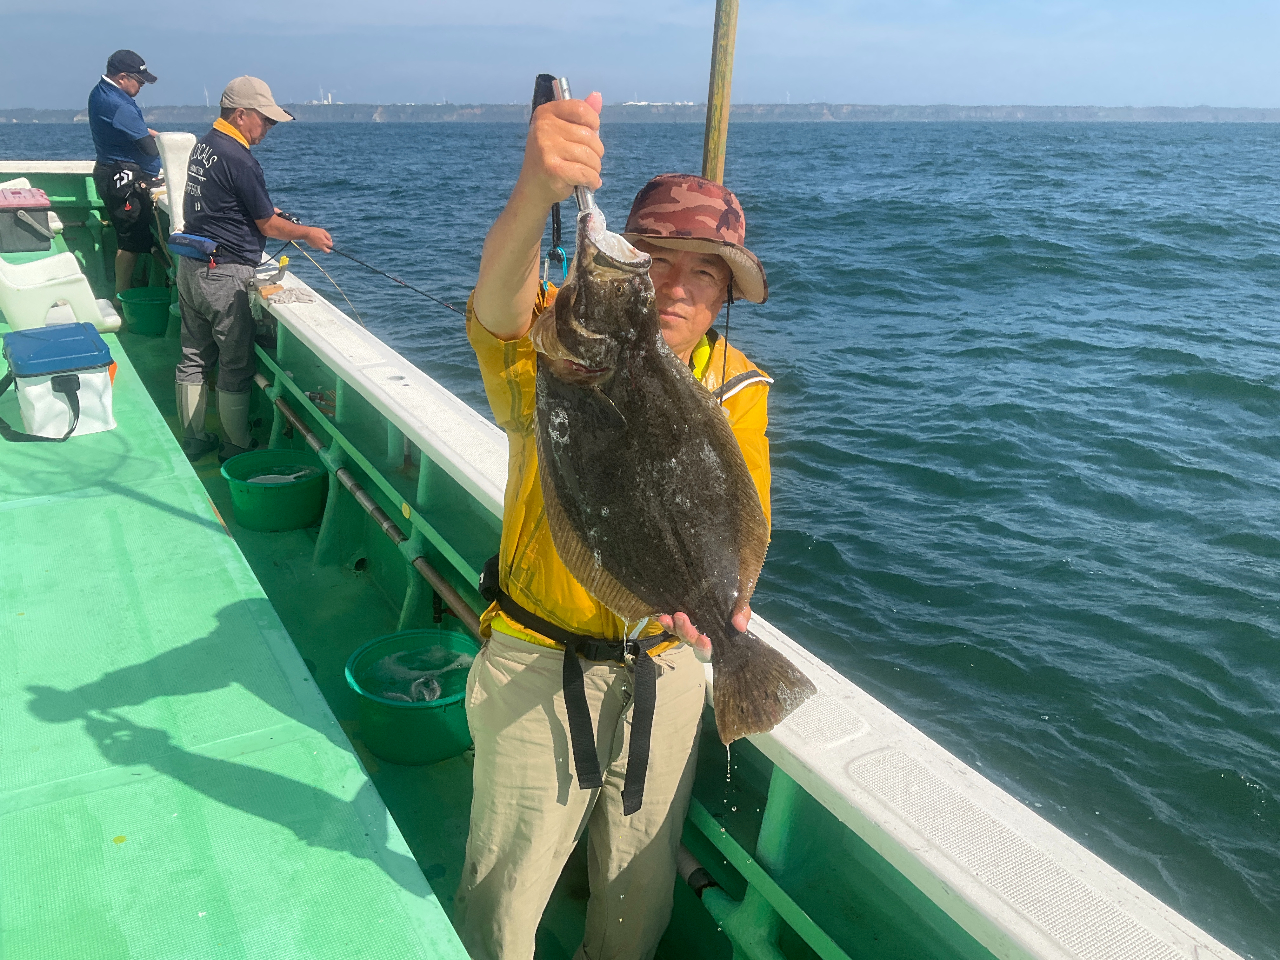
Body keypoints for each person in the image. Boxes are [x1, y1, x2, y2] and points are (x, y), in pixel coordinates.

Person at [455, 91, 773, 960]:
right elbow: (498, 307)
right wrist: (536, 193)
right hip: (537, 660)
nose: (676, 285)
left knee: (636, 897)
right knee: (503, 894)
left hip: (668, 670)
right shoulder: (558, 352)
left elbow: (738, 527)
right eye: (656, 260)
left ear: (725, 296)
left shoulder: (740, 389)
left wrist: (721, 613)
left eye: (704, 271)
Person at [173, 76, 333, 462]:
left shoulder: (205, 146)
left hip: (190, 265)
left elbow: (219, 202)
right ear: (242, 115)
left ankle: (193, 440)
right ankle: (237, 446)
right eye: (266, 120)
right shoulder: (241, 159)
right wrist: (308, 232)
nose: (269, 129)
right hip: (225, 274)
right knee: (234, 363)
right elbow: (269, 226)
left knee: (192, 356)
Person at [87, 49, 162, 305]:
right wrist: (153, 172)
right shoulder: (117, 104)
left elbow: (132, 131)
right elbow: (149, 148)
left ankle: (128, 292)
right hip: (119, 177)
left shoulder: (102, 92)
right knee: (130, 239)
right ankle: (121, 298)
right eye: (139, 81)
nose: (141, 86)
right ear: (122, 77)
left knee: (136, 235)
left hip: (112, 171)